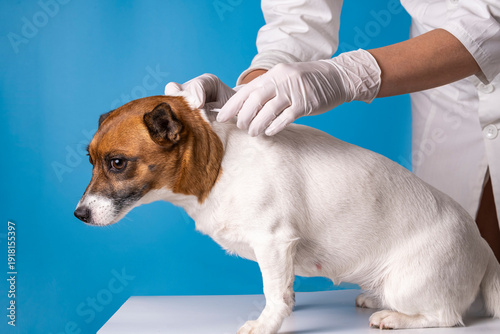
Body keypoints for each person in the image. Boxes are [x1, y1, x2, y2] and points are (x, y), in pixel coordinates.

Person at [165, 0, 500, 261]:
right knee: (445, 259)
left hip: (453, 52)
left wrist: (350, 74)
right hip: (444, 81)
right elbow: (299, 17)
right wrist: (253, 90)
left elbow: (491, 18)